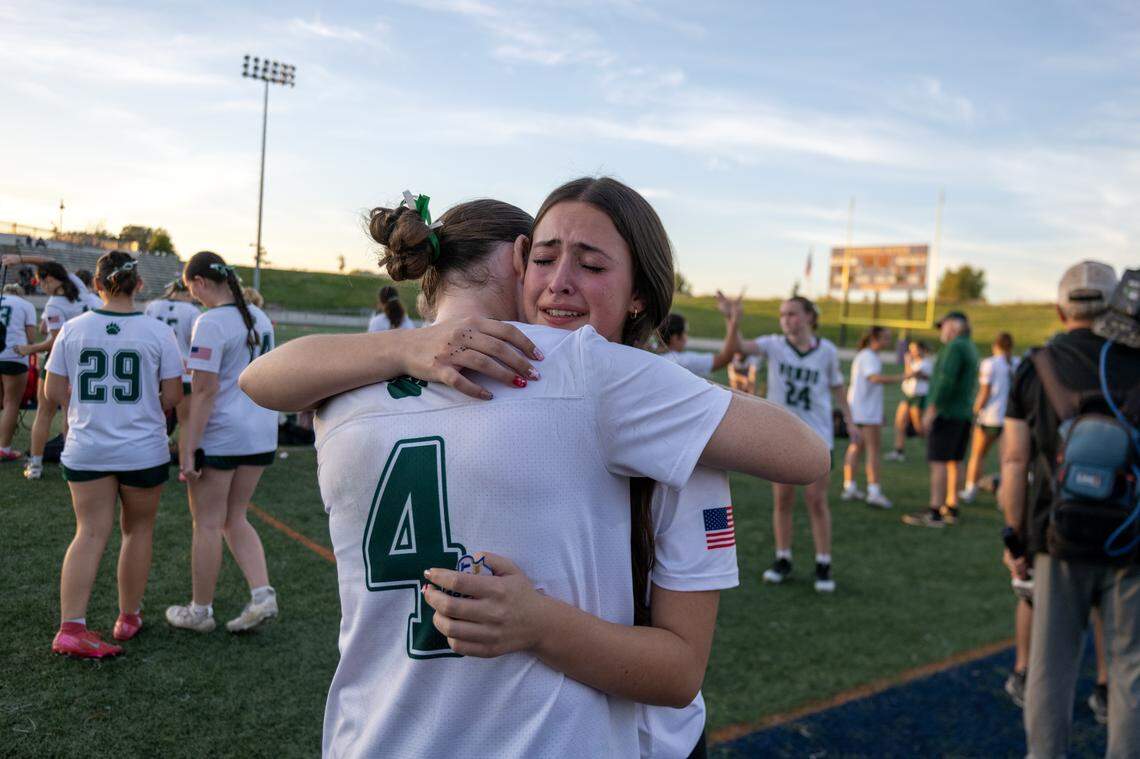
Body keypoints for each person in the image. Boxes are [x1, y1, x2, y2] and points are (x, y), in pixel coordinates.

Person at [241, 182, 830, 757]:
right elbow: (805, 453)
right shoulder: (587, 372)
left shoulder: (343, 382)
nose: (557, 283)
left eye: (591, 266)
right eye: (546, 257)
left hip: (371, 731)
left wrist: (401, 348)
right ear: (521, 259)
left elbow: (259, 379)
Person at [998, 260, 1140, 756]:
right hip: (1132, 539)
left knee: (1050, 669)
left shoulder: (1035, 365)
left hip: (1055, 536)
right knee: (1130, 671)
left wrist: (1013, 536)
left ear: (1061, 310)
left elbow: (1014, 461)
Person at [45, 251, 183, 657]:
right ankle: (128, 617)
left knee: (88, 533)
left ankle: (72, 625)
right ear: (139, 285)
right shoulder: (158, 333)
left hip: (87, 446)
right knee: (136, 531)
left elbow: (53, 393)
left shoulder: (73, 329)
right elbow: (173, 396)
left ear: (97, 285)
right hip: (142, 448)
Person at [165, 251, 279, 634]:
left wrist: (188, 445)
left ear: (198, 283)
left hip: (223, 435)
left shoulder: (210, 321)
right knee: (235, 517)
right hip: (260, 431)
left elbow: (204, 390)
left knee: (208, 524)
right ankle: (262, 595)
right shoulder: (259, 317)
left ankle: (200, 610)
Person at [726, 294, 857, 592]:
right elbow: (739, 348)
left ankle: (823, 562)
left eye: (793, 314)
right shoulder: (774, 345)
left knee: (816, 501)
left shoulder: (827, 351)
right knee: (782, 500)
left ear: (810, 317)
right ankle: (782, 557)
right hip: (781, 434)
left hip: (818, 435)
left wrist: (849, 420)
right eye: (783, 314)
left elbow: (838, 387)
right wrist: (733, 320)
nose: (786, 319)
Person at [903, 311, 979, 527]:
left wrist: (931, 409)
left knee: (938, 461)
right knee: (955, 460)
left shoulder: (954, 347)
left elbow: (946, 381)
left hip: (948, 412)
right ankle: (951, 506)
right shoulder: (970, 346)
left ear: (955, 325)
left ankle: (935, 511)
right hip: (963, 412)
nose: (941, 331)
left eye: (944, 326)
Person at [14, 262, 86, 480]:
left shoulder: (55, 303)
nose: (41, 286)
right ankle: (68, 460)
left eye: (41, 281)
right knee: (69, 413)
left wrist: (30, 348)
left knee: (44, 413)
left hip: (59, 364)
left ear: (50, 279)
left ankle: (35, 465)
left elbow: (55, 341)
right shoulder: (82, 290)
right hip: (82, 363)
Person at [842, 326, 901, 509]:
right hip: (866, 412)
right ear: (874, 338)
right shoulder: (869, 356)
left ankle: (849, 486)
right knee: (873, 451)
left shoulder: (865, 355)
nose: (888, 341)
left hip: (859, 409)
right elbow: (873, 378)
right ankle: (874, 492)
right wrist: (904, 376)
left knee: (855, 448)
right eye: (885, 338)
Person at [960, 332, 1017, 503]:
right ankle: (1004, 497)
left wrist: (976, 409)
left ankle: (970, 490)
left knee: (977, 455)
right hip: (1010, 418)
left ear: (995, 345)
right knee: (1007, 461)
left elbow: (985, 392)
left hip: (990, 417)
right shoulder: (1016, 362)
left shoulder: (990, 363)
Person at [145, 279, 201, 435]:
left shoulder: (153, 306)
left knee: (151, 420)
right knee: (186, 424)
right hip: (182, 372)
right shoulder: (191, 311)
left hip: (153, 371)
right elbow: (196, 342)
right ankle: (184, 458)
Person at [0, 282, 37, 462]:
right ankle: (3, 448)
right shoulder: (25, 305)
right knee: (11, 403)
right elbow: (30, 338)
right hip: (13, 356)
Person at [886, 340, 934, 462]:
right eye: (911, 349)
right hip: (907, 395)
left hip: (919, 397)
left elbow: (910, 374)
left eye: (915, 349)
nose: (912, 351)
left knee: (919, 428)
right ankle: (898, 451)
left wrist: (907, 362)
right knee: (900, 422)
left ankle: (933, 450)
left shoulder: (926, 363)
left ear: (922, 350)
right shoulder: (913, 363)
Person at [659, 311, 738, 376]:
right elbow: (724, 359)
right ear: (675, 338)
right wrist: (732, 319)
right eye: (685, 333)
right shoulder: (683, 361)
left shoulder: (655, 356)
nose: (687, 337)